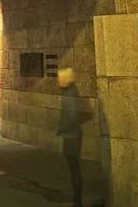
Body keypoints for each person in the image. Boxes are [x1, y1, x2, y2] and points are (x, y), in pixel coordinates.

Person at [57, 68, 84, 207]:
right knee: (74, 168)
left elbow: (73, 116)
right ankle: (77, 200)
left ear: (66, 79)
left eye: (60, 78)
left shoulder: (70, 94)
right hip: (72, 134)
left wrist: (64, 128)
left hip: (72, 136)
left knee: (74, 169)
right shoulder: (70, 92)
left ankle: (78, 201)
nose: (58, 80)